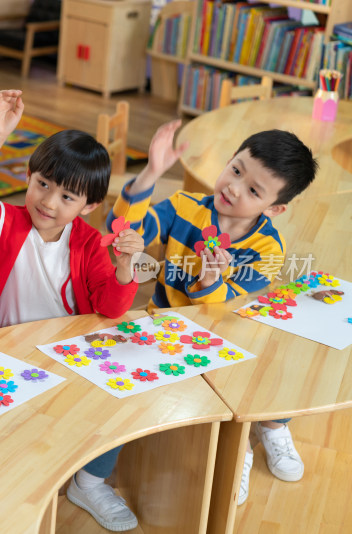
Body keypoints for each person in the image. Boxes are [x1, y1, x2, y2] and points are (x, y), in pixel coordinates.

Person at [105, 121, 319, 519]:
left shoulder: (267, 247)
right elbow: (125, 229)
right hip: (165, 330)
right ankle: (250, 428)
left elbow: (225, 315)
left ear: (274, 208)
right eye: (236, 170)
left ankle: (262, 431)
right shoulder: (184, 206)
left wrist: (209, 280)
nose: (234, 188)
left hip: (227, 337)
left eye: (254, 190)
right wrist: (152, 171)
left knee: (272, 370)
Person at [0, 89, 143, 333]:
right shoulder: (1, 223)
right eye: (43, 184)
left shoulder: (89, 244)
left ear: (89, 206)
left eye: (67, 197)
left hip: (62, 352)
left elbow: (110, 308)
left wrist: (124, 269)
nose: (49, 202)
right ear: (28, 176)